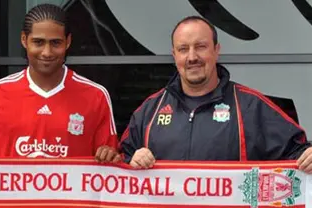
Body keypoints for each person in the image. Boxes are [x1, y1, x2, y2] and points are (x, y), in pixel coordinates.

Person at [119, 16, 312, 173]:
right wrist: (131, 161)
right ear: (174, 55)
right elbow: (119, 160)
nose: (192, 57)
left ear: (216, 50)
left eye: (201, 46)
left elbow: (298, 152)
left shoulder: (250, 106)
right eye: (183, 49)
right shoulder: (150, 109)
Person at [0, 4, 120, 162]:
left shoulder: (95, 96)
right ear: (24, 40)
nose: (47, 52)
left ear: (68, 42)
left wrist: (111, 156)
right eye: (38, 42)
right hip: (9, 202)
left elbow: (111, 160)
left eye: (55, 43)